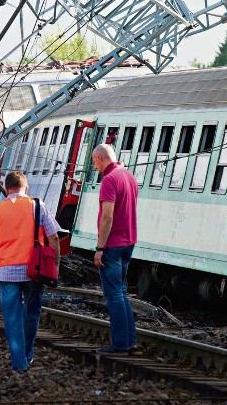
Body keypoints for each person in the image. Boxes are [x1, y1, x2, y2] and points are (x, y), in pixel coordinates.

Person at [0, 171, 61, 371]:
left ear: (7, 190)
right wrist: (55, 265)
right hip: (35, 271)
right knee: (31, 313)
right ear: (27, 187)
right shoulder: (38, 206)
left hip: (7, 273)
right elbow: (55, 238)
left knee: (12, 318)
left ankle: (19, 363)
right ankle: (27, 354)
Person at [90, 144, 140, 356]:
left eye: (94, 162)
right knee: (121, 292)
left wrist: (100, 248)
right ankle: (130, 341)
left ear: (100, 158)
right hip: (129, 242)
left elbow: (108, 216)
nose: (95, 167)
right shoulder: (128, 176)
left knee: (114, 296)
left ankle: (119, 344)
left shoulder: (109, 180)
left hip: (113, 244)